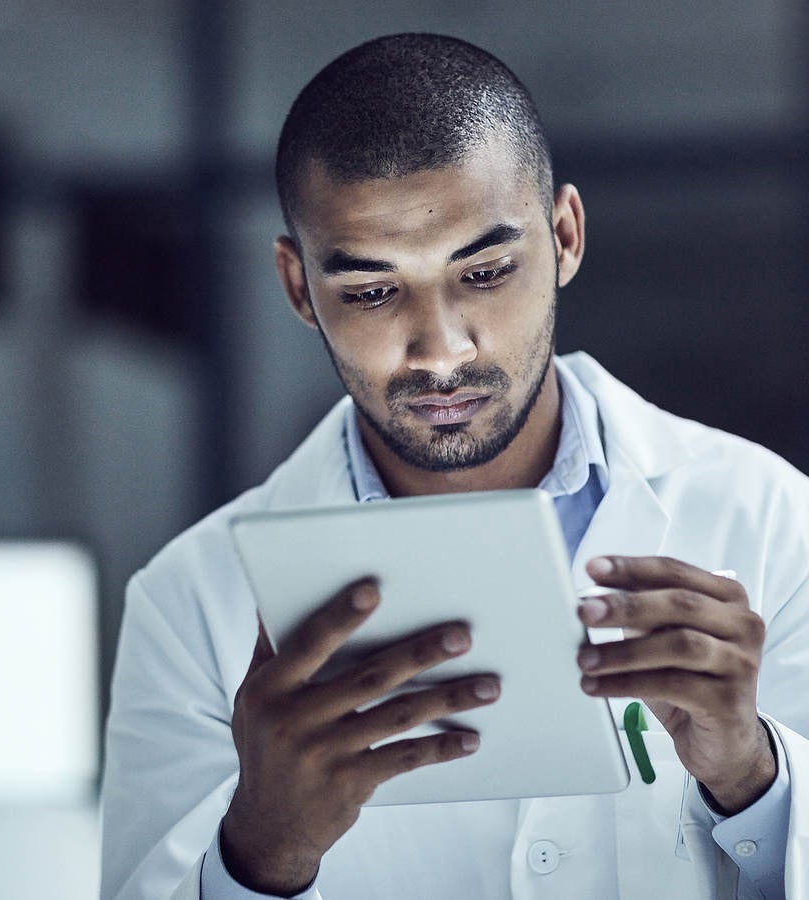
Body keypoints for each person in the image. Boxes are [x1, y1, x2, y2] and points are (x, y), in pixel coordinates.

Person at [100, 33, 809, 899]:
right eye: (370, 291)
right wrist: (261, 853)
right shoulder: (187, 601)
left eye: (485, 271)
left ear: (565, 236)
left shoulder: (771, 518)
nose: (441, 350)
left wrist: (755, 779)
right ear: (297, 288)